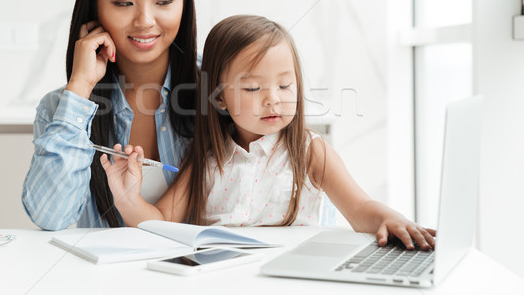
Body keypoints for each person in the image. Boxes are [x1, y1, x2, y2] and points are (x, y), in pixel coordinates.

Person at [101, 15, 436, 250]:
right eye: (251, 88)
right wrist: (128, 199)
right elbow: (159, 223)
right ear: (219, 98)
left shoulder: (310, 152)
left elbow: (360, 207)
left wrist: (392, 218)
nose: (273, 98)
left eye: (285, 85)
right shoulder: (207, 158)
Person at [21, 0, 198, 230]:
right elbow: (51, 218)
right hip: (102, 278)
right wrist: (79, 89)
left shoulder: (221, 87)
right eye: (123, 3)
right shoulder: (59, 109)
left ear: (184, 3)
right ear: (96, 8)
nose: (145, 21)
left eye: (164, 1)